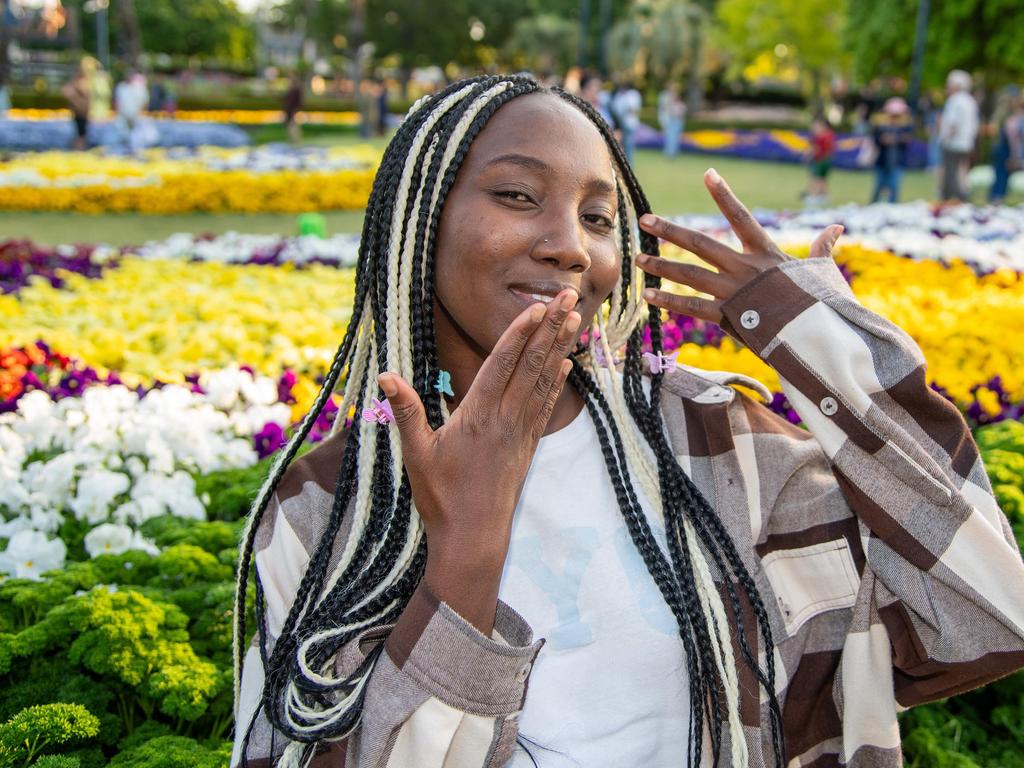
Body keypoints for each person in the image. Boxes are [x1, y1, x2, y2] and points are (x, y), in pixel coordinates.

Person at [231, 74, 1024, 768]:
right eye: (516, 195)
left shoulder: (716, 443)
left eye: (601, 217)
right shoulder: (325, 508)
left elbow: (988, 610)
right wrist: (464, 556)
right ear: (419, 218)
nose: (571, 247)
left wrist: (821, 344)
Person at [938, 69, 979, 202]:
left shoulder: (955, 100)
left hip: (953, 143)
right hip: (966, 143)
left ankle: (954, 199)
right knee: (961, 173)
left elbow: (952, 124)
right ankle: (960, 198)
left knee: (951, 175)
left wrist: (944, 138)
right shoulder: (970, 101)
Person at [869, 97, 914, 203]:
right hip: (882, 162)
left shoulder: (905, 127)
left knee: (894, 188)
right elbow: (877, 140)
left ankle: (892, 208)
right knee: (879, 186)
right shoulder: (881, 127)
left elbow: (907, 141)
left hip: (897, 162)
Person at [988, 87, 1024, 204]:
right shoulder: (1013, 117)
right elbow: (1014, 141)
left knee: (1001, 174)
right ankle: (997, 197)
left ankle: (997, 197)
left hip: (1005, 150)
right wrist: (1015, 157)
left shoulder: (1013, 117)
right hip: (1005, 150)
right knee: (1001, 174)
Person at [114, 70, 149, 154]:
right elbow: (117, 101)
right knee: (123, 133)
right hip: (123, 115)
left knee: (136, 134)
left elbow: (144, 101)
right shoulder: (121, 87)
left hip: (135, 115)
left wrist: (140, 112)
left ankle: (136, 150)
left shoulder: (138, 87)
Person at [804, 115, 835, 207]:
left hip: (820, 159)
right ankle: (824, 196)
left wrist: (808, 155)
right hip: (827, 159)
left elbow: (816, 149)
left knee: (816, 179)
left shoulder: (821, 136)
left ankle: (815, 196)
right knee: (822, 179)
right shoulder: (830, 134)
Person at [611, 80, 642, 166]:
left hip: (630, 124)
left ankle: (629, 163)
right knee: (624, 145)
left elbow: (634, 110)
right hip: (622, 123)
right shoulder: (620, 96)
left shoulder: (632, 95)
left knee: (628, 145)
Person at [62, 66, 91, 151]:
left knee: (80, 132)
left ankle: (78, 147)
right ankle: (79, 147)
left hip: (80, 111)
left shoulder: (77, 82)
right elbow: (67, 91)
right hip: (80, 111)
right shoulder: (80, 83)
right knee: (81, 132)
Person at [657, 82, 686, 158]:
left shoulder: (679, 103)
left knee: (674, 138)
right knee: (670, 137)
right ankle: (669, 153)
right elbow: (664, 108)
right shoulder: (665, 96)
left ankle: (673, 152)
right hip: (670, 120)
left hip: (674, 121)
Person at [283, 72, 303, 144]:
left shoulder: (296, 90)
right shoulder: (290, 89)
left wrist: (296, 111)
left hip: (293, 111)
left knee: (294, 126)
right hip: (288, 111)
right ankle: (292, 141)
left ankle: (296, 141)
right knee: (289, 126)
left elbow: (299, 102)